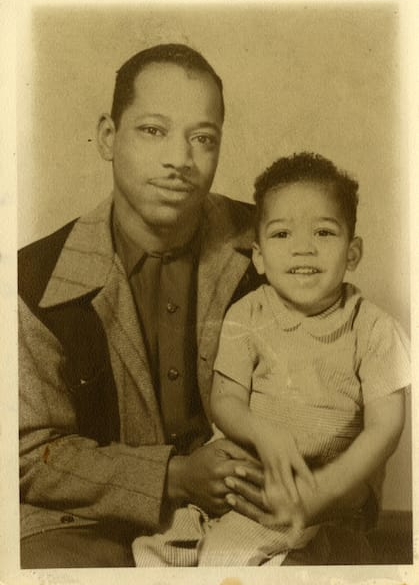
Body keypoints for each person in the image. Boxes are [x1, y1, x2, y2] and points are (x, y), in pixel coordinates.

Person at [19, 44, 380, 569]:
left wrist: (324, 488)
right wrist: (171, 475)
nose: (178, 160)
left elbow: (354, 385)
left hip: (258, 516)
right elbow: (28, 453)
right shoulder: (35, 279)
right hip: (89, 524)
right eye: (152, 131)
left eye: (202, 138)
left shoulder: (278, 246)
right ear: (106, 137)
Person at [132, 152, 409, 566]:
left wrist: (326, 488)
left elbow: (385, 429)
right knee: (154, 549)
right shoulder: (249, 313)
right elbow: (224, 400)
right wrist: (263, 432)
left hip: (311, 490)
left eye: (323, 233)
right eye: (282, 235)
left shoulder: (373, 329)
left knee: (229, 557)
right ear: (259, 257)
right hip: (240, 476)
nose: (303, 249)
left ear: (353, 253)